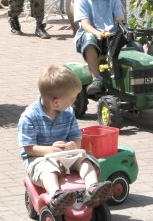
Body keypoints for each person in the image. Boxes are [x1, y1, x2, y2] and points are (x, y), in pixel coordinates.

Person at [18, 64, 112, 217]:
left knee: (85, 159)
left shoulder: (67, 112)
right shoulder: (29, 117)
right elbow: (29, 148)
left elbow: (76, 136)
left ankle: (93, 189)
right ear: (56, 102)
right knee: (48, 169)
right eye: (72, 99)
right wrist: (50, 150)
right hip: (38, 158)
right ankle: (56, 196)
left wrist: (74, 144)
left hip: (65, 155)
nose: (74, 102)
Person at [73, 0, 124, 95]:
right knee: (90, 40)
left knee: (134, 45)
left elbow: (120, 20)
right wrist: (97, 32)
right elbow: (84, 24)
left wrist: (124, 32)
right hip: (90, 35)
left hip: (111, 35)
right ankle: (97, 78)